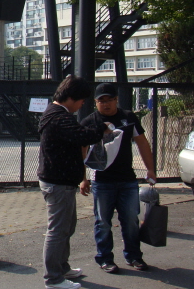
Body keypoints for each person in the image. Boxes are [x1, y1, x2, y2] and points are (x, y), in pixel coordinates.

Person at [38, 75, 109, 289]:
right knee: (58, 231)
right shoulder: (59, 117)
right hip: (57, 183)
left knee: (67, 228)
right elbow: (83, 136)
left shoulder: (56, 113)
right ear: (71, 97)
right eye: (81, 100)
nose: (82, 105)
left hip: (61, 182)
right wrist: (101, 128)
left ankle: (62, 267)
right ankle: (53, 279)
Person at [80, 82, 156, 273]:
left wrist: (150, 169)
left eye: (110, 100)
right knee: (103, 222)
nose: (106, 104)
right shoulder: (89, 121)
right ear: (95, 102)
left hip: (127, 179)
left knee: (130, 220)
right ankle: (105, 258)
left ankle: (134, 256)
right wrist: (83, 178)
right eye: (101, 101)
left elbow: (142, 142)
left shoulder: (128, 117)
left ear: (116, 100)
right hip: (101, 181)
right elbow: (81, 150)